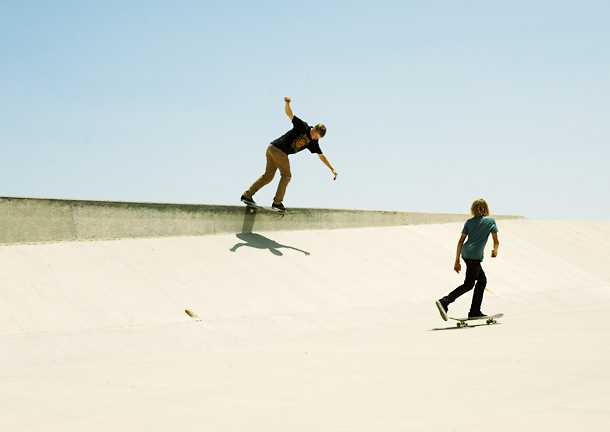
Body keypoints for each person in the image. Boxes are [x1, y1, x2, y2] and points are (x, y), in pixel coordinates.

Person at [240, 97, 338, 212]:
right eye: (315, 135)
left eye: (318, 138)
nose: (315, 138)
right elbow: (290, 114)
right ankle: (277, 203)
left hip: (272, 148)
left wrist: (332, 169)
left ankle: (247, 195)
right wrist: (287, 103)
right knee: (286, 175)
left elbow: (321, 155)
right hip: (278, 149)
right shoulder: (303, 127)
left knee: (268, 176)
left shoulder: (313, 142)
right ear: (314, 128)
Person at [436, 199, 500, 321]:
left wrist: (457, 261)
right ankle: (445, 301)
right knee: (469, 283)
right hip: (475, 255)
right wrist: (494, 251)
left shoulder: (469, 222)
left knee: (481, 280)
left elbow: (460, 242)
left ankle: (475, 311)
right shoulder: (491, 221)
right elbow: (496, 241)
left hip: (466, 253)